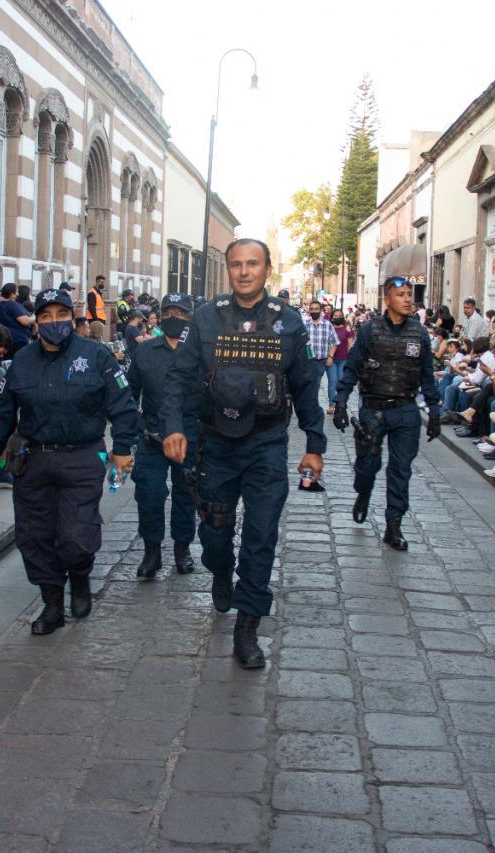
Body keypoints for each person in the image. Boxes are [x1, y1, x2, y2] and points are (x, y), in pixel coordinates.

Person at [161, 238, 326, 669]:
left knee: (262, 534)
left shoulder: (290, 324)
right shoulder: (205, 319)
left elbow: (307, 386)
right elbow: (178, 379)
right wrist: (174, 427)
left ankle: (248, 625)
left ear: (268, 268)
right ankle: (219, 569)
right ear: (228, 270)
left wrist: (314, 444)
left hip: (267, 445)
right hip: (215, 444)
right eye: (236, 264)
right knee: (214, 532)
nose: (244, 271)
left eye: (253, 264)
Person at [0, 288, 138, 635]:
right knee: (34, 536)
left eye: (61, 315)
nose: (54, 322)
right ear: (36, 320)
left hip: (83, 456)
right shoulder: (22, 361)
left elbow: (123, 406)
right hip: (33, 460)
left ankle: (79, 575)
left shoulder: (97, 356)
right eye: (45, 316)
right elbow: (3, 414)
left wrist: (123, 448)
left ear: (73, 317)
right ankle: (51, 603)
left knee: (76, 537)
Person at [332, 275, 441, 550]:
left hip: (405, 410)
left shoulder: (419, 333)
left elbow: (427, 373)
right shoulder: (370, 330)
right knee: (368, 464)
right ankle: (363, 493)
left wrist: (435, 410)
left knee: (400, 470)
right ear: (387, 299)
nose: (407, 299)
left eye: (409, 294)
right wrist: (342, 401)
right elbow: (352, 367)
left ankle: (394, 524)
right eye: (401, 294)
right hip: (374, 409)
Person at [128, 293, 200, 579]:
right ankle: (151, 551)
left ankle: (182, 549)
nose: (174, 318)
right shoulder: (145, 351)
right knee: (149, 493)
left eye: (180, 314)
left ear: (189, 317)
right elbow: (130, 392)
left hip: (189, 435)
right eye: (168, 312)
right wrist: (135, 428)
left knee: (186, 494)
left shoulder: (198, 352)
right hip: (152, 435)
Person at [304, 300, 339, 403]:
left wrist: (331, 356)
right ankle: (313, 406)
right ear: (309, 311)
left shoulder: (327, 325)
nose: (314, 311)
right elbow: (302, 343)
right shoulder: (304, 324)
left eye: (316, 309)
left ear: (320, 311)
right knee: (315, 385)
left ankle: (332, 405)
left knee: (333, 381)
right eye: (312, 309)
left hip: (326, 358)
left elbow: (334, 342)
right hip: (312, 361)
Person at [0, 282, 34, 356]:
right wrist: (33, 318)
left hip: (3, 338)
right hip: (18, 340)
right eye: (16, 292)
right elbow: (25, 321)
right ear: (11, 293)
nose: (17, 294)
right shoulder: (12, 305)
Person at [326, 307, 353, 416]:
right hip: (331, 358)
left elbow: (350, 344)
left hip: (343, 359)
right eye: (335, 316)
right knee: (333, 382)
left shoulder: (347, 329)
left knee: (341, 382)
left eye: (339, 316)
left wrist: (351, 358)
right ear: (332, 318)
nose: (337, 318)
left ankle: (340, 405)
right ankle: (331, 405)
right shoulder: (329, 328)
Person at [87, 275, 109, 341]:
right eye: (101, 282)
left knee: (99, 338)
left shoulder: (98, 292)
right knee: (96, 338)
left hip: (99, 319)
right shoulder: (92, 293)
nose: (103, 284)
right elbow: (92, 308)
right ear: (97, 281)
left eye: (104, 283)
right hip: (95, 320)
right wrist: (96, 320)